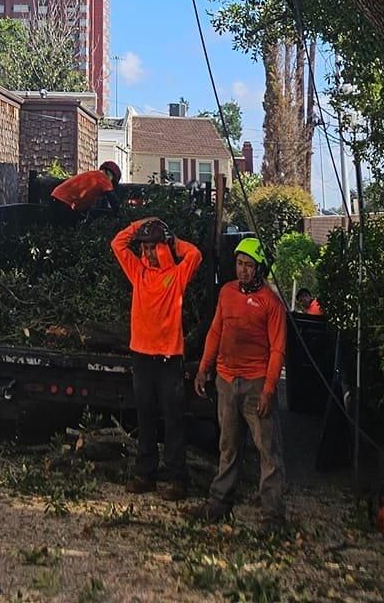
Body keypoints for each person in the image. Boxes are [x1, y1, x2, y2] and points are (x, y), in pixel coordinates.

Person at [195, 236, 288, 533]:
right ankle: (220, 502)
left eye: (249, 265)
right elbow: (215, 331)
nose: (243, 270)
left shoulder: (271, 303)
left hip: (256, 383)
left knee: (267, 449)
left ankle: (272, 515)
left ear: (260, 268)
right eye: (239, 264)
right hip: (226, 379)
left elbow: (278, 350)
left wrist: (269, 389)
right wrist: (203, 369)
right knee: (228, 445)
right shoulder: (227, 293)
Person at [111, 216, 202, 497]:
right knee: (145, 417)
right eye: (145, 248)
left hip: (168, 359)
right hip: (141, 357)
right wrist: (141, 225)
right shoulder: (138, 272)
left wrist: (174, 243)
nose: (149, 252)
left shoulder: (176, 276)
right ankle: (145, 473)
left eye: (154, 247)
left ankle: (177, 478)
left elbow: (195, 254)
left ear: (164, 247)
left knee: (173, 419)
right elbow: (118, 243)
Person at [51, 161, 122, 217]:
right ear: (111, 175)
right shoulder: (103, 178)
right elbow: (113, 199)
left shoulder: (94, 175)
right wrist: (120, 214)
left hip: (59, 196)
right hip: (65, 201)